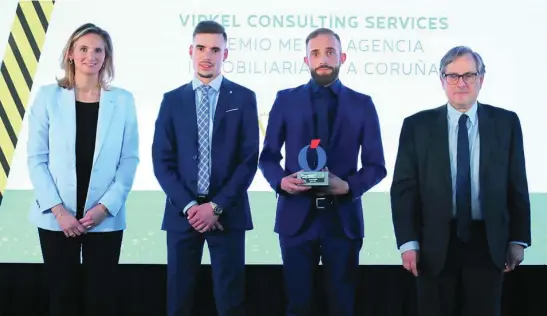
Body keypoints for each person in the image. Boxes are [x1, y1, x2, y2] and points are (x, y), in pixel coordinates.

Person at [390, 46, 531, 316]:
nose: (461, 83)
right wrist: (408, 242)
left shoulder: (506, 123)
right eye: (452, 76)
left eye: (469, 74)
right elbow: (403, 190)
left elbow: (517, 185)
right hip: (433, 244)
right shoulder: (417, 126)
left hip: (487, 243)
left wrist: (518, 239)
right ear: (442, 80)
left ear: (482, 79)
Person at [259, 28, 386, 316]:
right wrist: (281, 181)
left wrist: (348, 187)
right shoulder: (285, 100)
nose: (323, 59)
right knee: (298, 306)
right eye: (315, 53)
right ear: (306, 60)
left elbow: (376, 166)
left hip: (342, 222)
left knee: (343, 306)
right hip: (295, 220)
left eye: (330, 52)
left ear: (342, 57)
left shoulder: (362, 104)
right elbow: (267, 158)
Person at [26, 23, 140, 316]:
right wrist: (59, 212)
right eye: (84, 49)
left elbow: (129, 160)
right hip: (56, 218)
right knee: (62, 298)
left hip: (103, 218)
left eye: (98, 50)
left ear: (107, 57)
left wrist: (105, 207)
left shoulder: (123, 100)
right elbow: (37, 158)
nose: (91, 56)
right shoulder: (48, 97)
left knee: (101, 300)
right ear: (71, 54)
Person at [152, 20, 259, 316]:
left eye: (215, 49)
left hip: (228, 214)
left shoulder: (244, 98)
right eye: (201, 47)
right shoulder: (172, 100)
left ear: (225, 54)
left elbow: (248, 160)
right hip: (181, 214)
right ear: (191, 50)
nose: (207, 55)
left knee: (231, 300)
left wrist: (216, 206)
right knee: (179, 299)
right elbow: (162, 161)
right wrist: (190, 206)